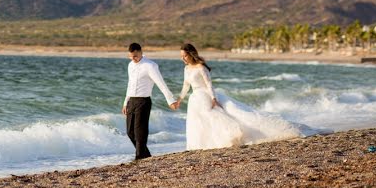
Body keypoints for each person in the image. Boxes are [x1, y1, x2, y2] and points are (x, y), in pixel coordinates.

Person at [169, 43, 301, 150]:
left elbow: (209, 84)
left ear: (191, 55)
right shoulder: (186, 69)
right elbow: (185, 86)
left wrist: (214, 99)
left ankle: (230, 137)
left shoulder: (201, 67)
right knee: (198, 122)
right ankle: (201, 145)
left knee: (214, 117)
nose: (183, 59)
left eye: (185, 56)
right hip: (194, 98)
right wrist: (179, 100)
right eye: (181, 56)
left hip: (205, 96)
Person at [122, 42, 176, 160]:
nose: (133, 59)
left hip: (143, 101)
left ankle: (140, 158)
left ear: (141, 52)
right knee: (130, 132)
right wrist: (125, 102)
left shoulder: (150, 65)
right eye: (130, 56)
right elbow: (130, 84)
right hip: (131, 101)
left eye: (135, 56)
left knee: (140, 133)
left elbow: (161, 84)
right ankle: (146, 156)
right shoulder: (130, 65)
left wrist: (170, 100)